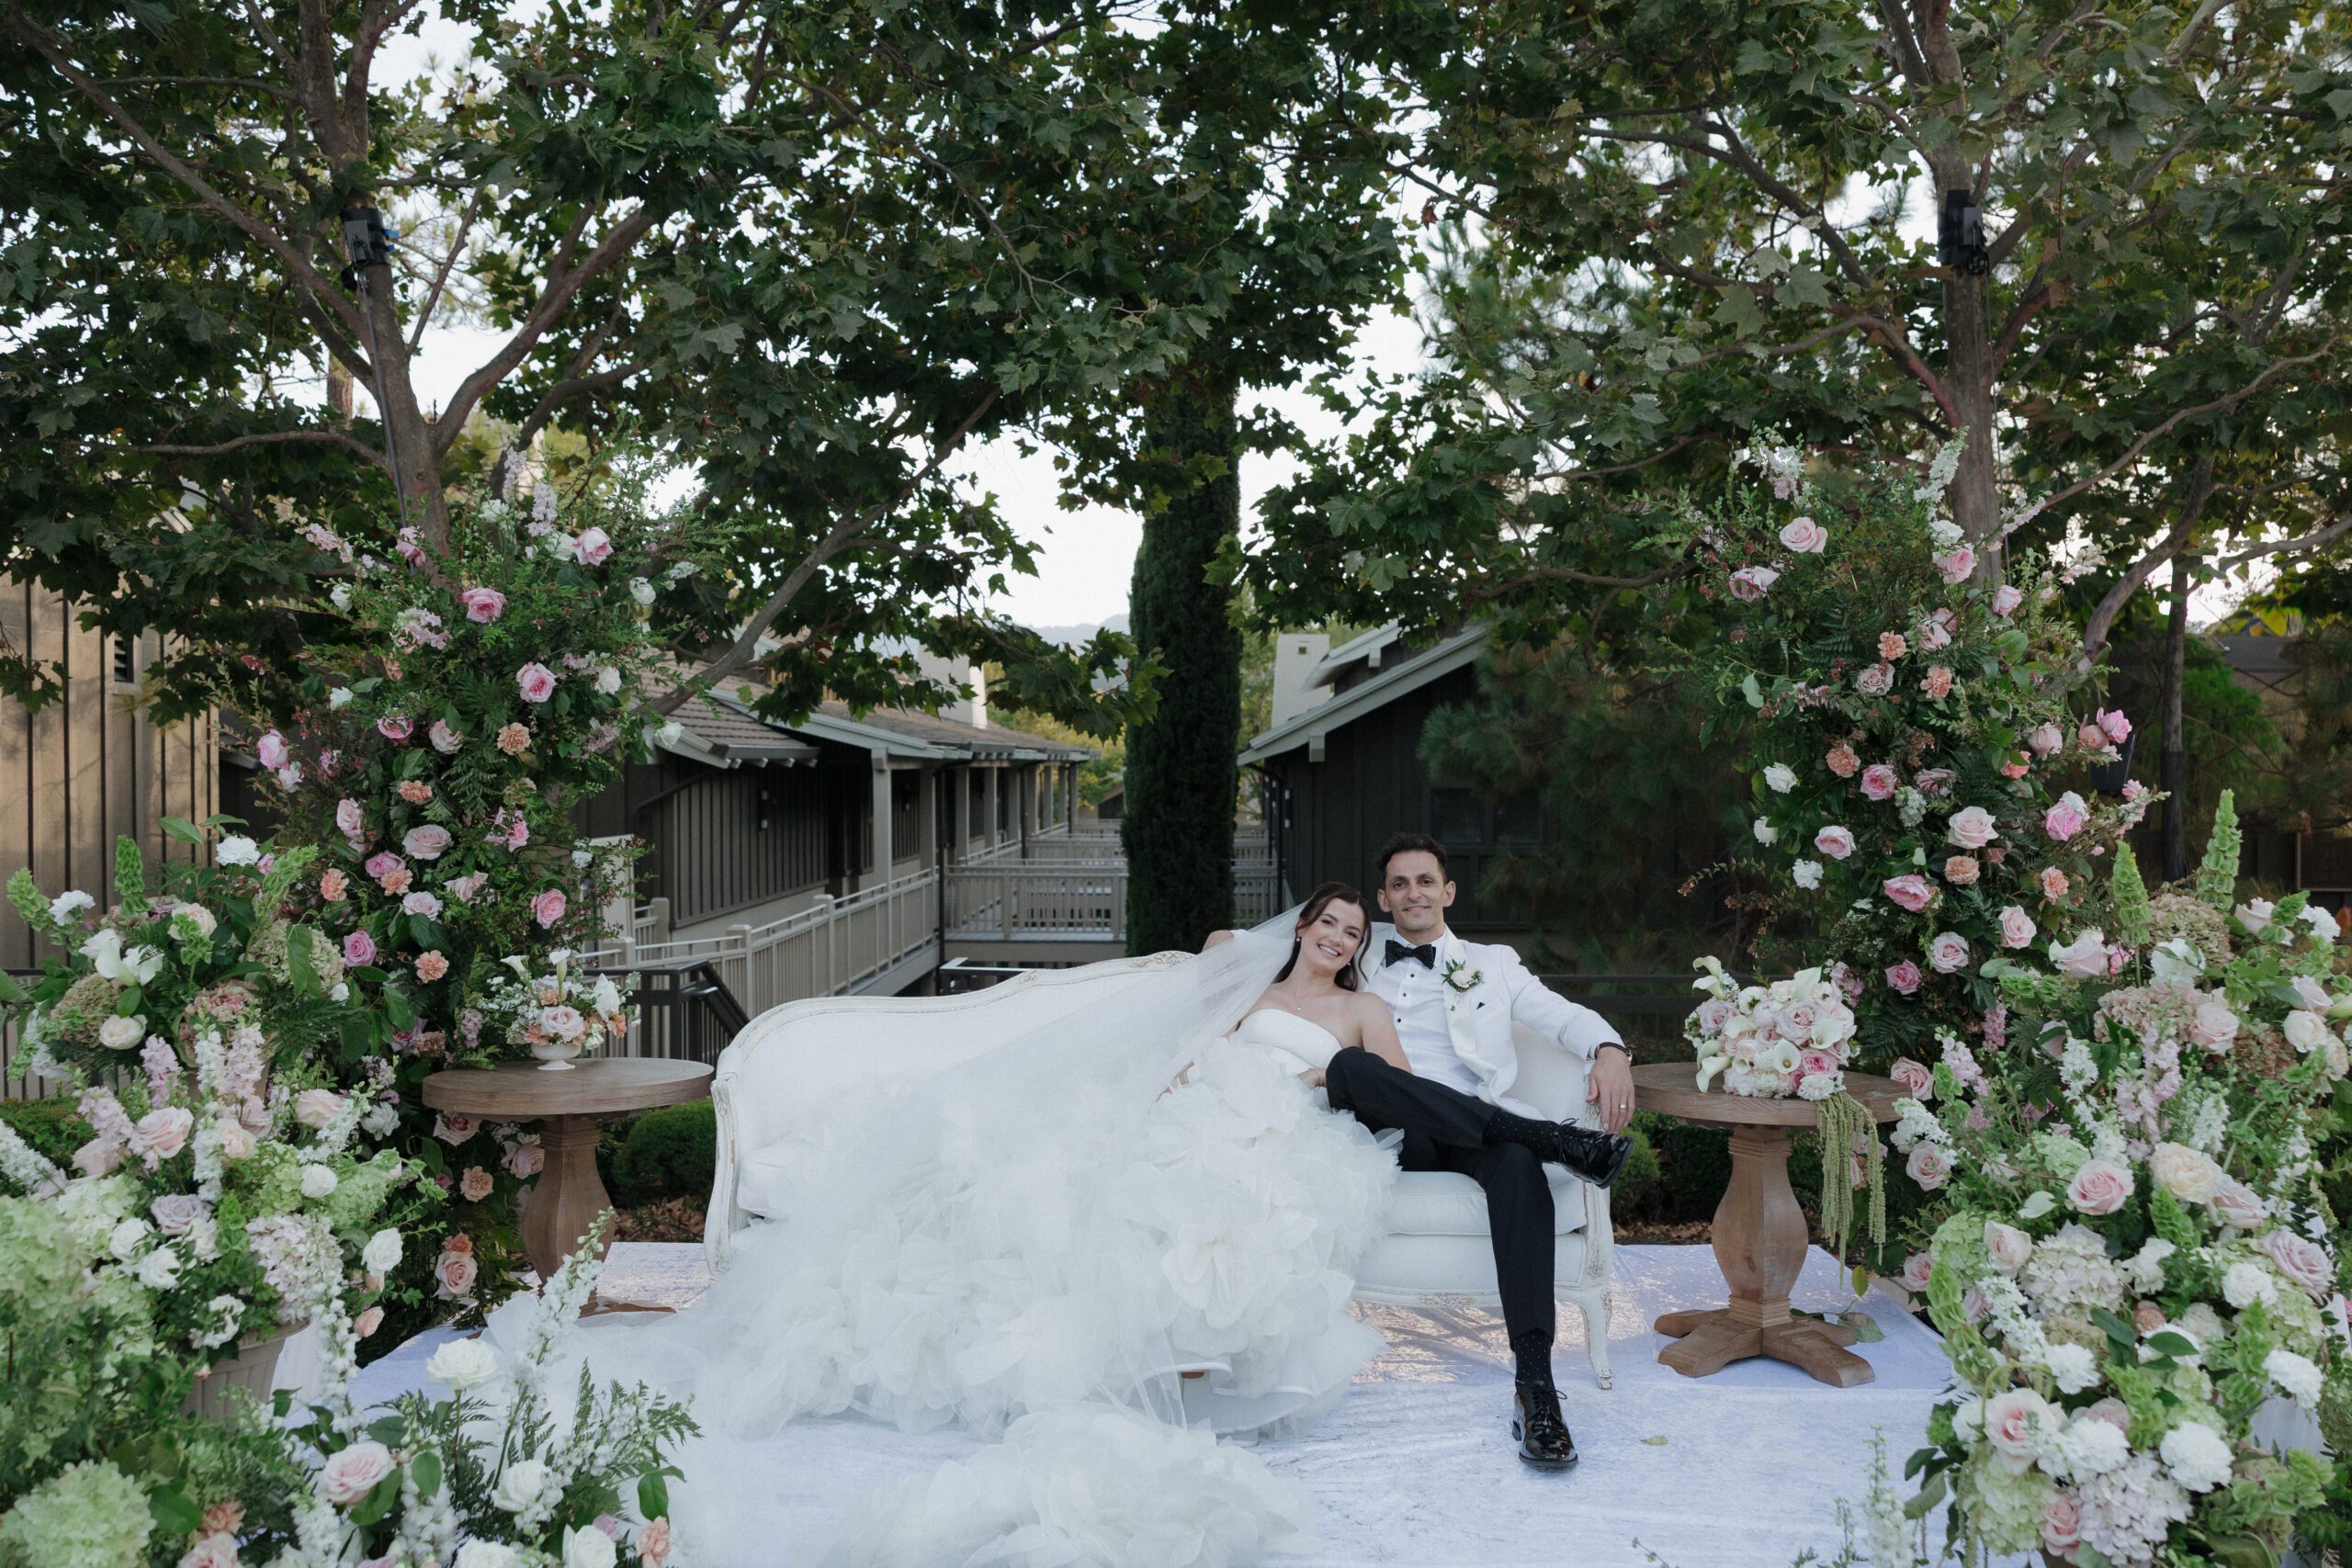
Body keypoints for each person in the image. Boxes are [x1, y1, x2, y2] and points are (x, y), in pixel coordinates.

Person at [1320, 832, 1634, 1470]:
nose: (1414, 892)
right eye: (1401, 883)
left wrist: (1610, 1049)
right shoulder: (1352, 947)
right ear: (1384, 899)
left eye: (1425, 880)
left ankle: (1537, 1387)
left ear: (1448, 890)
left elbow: (1562, 1016)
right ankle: (1556, 1141)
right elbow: (1257, 952)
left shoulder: (1494, 963)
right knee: (1350, 1066)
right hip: (1388, 1132)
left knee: (1517, 1165)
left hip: (1475, 1132)